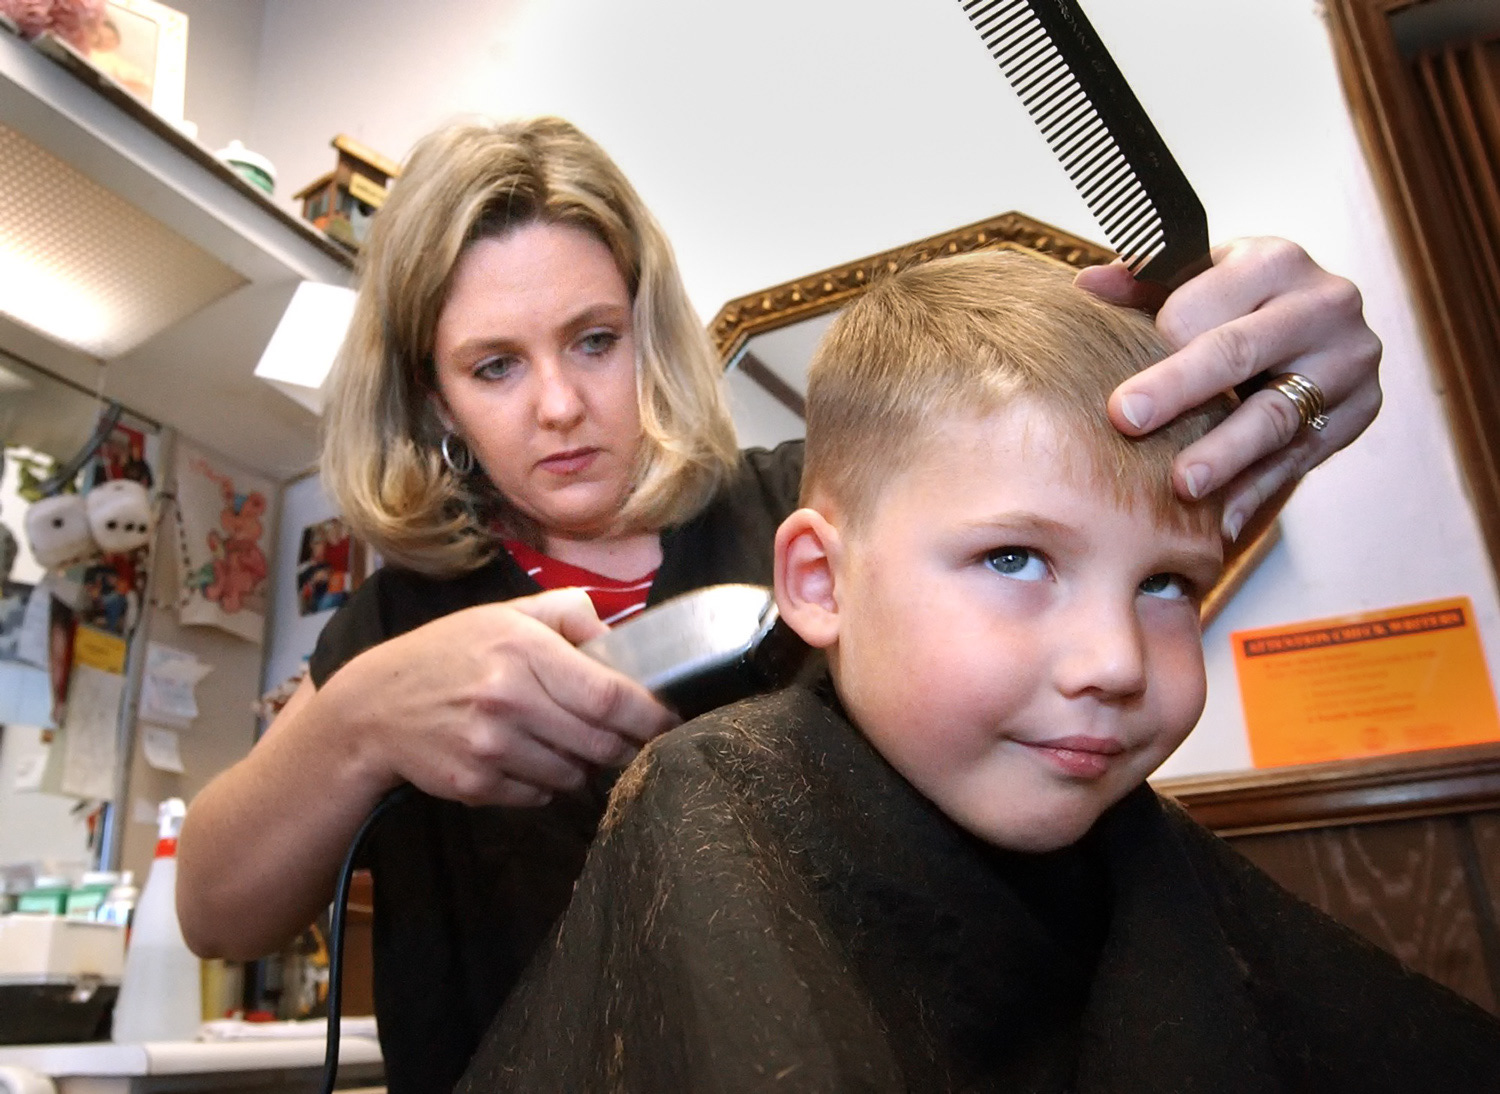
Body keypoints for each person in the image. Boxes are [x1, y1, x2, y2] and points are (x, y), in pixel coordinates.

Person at [175, 116, 1386, 1092]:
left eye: (593, 340)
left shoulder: (802, 517)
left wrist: (1280, 382)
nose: (557, 403)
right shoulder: (396, 623)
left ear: (646, 334)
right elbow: (218, 911)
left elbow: (1086, 502)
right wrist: (357, 722)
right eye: (495, 365)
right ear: (435, 399)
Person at [460, 251, 1500, 1093]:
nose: (1115, 662)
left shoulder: (1142, 851)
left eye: (1168, 584)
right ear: (819, 583)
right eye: (1016, 557)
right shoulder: (719, 798)